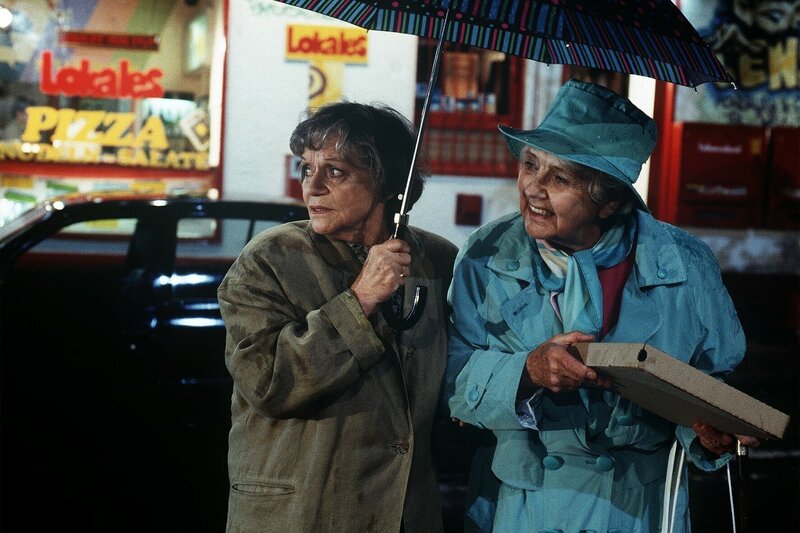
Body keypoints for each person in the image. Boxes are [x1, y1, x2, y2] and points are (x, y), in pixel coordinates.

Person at [445, 79, 759, 532]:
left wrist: (710, 434)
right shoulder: (486, 255)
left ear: (609, 201)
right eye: (530, 164)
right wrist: (528, 372)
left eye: (560, 178)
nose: (533, 188)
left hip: (638, 509)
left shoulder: (684, 264)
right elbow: (451, 380)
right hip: (523, 505)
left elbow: (714, 381)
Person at [218, 101, 457, 532]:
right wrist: (360, 299)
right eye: (306, 169)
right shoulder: (270, 259)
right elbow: (269, 383)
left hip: (402, 515)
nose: (313, 187)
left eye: (336, 172)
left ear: (389, 183)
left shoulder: (437, 261)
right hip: (301, 515)